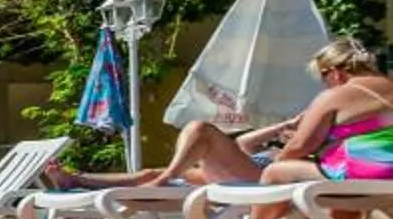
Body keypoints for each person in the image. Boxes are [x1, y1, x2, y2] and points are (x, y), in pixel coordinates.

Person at [50, 36, 393, 193]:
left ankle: (167, 179)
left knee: (199, 129)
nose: (323, 84)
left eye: (322, 77)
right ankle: (79, 179)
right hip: (272, 164)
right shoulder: (367, 98)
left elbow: (297, 152)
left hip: (276, 173)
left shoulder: (336, 96)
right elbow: (245, 143)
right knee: (155, 172)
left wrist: (283, 152)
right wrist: (286, 126)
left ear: (334, 71)